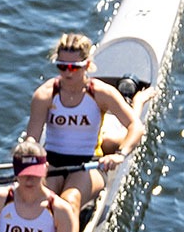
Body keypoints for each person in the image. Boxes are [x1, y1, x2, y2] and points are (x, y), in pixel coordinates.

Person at [22, 31, 144, 217]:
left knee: (69, 202)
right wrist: (29, 157)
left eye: (73, 67)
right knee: (38, 203)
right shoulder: (45, 94)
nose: (67, 72)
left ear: (87, 65)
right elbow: (32, 137)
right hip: (53, 163)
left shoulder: (102, 93)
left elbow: (136, 127)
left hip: (89, 164)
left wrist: (120, 155)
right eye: (62, 66)